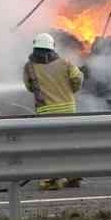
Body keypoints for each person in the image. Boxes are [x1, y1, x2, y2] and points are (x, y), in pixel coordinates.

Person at [23, 32, 84, 191]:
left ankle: (51, 179)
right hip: (68, 109)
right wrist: (72, 90)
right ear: (52, 48)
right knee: (68, 143)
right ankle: (73, 177)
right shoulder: (65, 63)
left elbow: (29, 87)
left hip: (46, 111)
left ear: (35, 48)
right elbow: (78, 78)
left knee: (49, 145)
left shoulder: (29, 67)